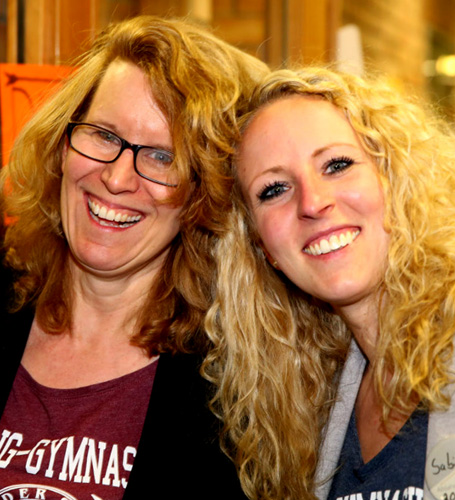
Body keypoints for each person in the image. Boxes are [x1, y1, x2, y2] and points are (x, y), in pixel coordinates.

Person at [0, 15, 268, 498]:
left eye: (163, 156)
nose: (118, 178)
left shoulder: (238, 392)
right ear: (62, 143)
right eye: (104, 135)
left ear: (204, 193)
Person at [204, 66, 455, 500]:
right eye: (274, 189)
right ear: (262, 247)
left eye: (337, 165)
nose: (313, 202)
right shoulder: (311, 405)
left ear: (396, 178)